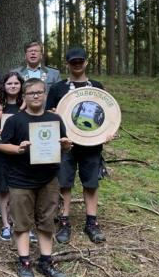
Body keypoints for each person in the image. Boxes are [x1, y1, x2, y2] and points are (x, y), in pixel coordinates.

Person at [0, 79, 72, 277]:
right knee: (22, 222)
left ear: (45, 94)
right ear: (25, 96)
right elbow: (1, 145)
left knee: (46, 220)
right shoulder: (15, 120)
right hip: (20, 180)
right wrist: (18, 149)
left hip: (48, 179)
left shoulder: (55, 120)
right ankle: (25, 262)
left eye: (40, 92)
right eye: (31, 93)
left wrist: (66, 146)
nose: (36, 96)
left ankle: (45, 261)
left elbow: (64, 146)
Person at [45, 47, 112, 245]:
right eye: (73, 61)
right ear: (67, 64)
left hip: (92, 144)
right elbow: (48, 115)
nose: (77, 64)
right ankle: (64, 222)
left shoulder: (97, 87)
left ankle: (91, 223)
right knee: (64, 182)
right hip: (66, 144)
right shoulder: (58, 88)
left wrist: (108, 133)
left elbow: (107, 114)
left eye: (80, 61)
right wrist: (53, 113)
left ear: (86, 62)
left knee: (91, 183)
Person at [0, 72, 25, 241]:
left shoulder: (26, 106)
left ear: (21, 85)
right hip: (1, 155)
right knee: (3, 189)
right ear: (4, 86)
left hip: (22, 154)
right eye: (10, 83)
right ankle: (5, 225)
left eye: (16, 83)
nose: (13, 86)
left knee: (22, 189)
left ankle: (21, 222)